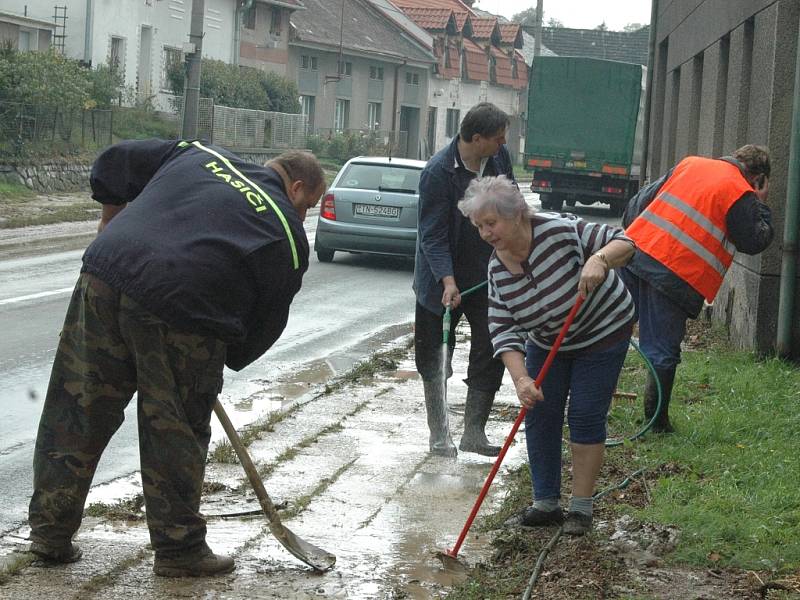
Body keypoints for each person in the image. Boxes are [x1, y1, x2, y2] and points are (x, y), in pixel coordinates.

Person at [27, 139, 326, 577]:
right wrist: (215, 361)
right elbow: (264, 324)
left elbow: (115, 161)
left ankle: (49, 534)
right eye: (309, 206)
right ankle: (179, 550)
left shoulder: (199, 154)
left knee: (75, 409)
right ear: (297, 188)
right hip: (185, 307)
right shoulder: (287, 230)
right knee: (175, 429)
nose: (304, 217)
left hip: (105, 274)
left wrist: (110, 225)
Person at [459, 175, 636, 535]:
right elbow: (504, 329)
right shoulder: (496, 270)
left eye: (491, 223)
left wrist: (599, 259)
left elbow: (627, 242)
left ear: (518, 215)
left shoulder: (561, 231)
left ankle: (581, 510)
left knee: (585, 414)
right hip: (546, 339)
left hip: (602, 331)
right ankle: (546, 503)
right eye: (479, 227)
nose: (485, 233)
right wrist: (521, 379)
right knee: (538, 410)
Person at [621, 144, 774, 433]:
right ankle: (656, 424)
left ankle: (590, 405)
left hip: (632, 255)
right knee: (661, 350)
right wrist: (761, 203)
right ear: (758, 178)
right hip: (674, 274)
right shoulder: (741, 192)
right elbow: (754, 240)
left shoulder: (690, 163)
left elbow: (636, 206)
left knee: (611, 332)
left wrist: (634, 241)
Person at [413, 102, 516, 457]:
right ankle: (439, 435)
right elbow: (432, 235)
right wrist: (447, 280)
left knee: (491, 349)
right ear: (477, 138)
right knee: (434, 356)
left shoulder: (499, 162)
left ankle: (474, 431)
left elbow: (512, 208)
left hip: (487, 278)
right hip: (440, 279)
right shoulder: (439, 173)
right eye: (498, 138)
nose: (503, 144)